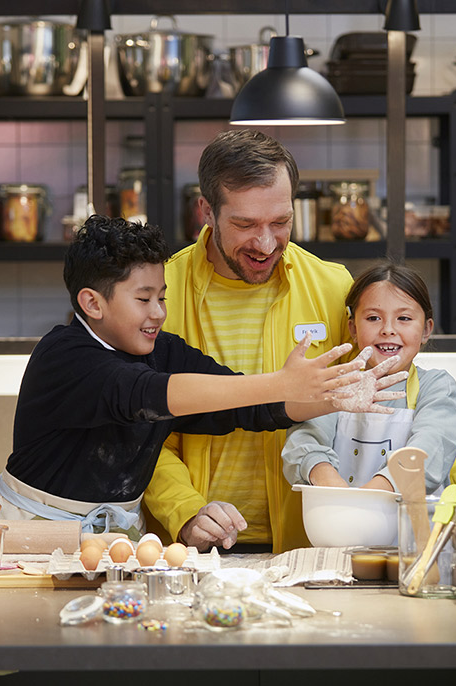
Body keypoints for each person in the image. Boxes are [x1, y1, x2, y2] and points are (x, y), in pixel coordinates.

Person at [0, 216, 404, 537]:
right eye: (143, 299)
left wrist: (329, 396)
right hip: (35, 534)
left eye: (162, 297)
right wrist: (281, 382)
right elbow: (148, 393)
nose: (157, 312)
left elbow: (245, 406)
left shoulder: (163, 350)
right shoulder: (64, 355)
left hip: (117, 536)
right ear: (92, 303)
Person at [143, 129, 370, 553]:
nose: (266, 244)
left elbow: (365, 415)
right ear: (206, 211)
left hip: (312, 546)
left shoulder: (335, 287)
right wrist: (186, 510)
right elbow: (143, 432)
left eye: (281, 222)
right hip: (191, 551)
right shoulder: (160, 295)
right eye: (245, 224)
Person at [282, 262, 456, 493]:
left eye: (404, 319)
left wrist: (370, 497)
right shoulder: (336, 385)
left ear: (427, 330)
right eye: (373, 318)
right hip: (340, 522)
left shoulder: (437, 388)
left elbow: (429, 450)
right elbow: (303, 443)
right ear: (354, 329)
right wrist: (330, 483)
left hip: (415, 528)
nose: (388, 329)